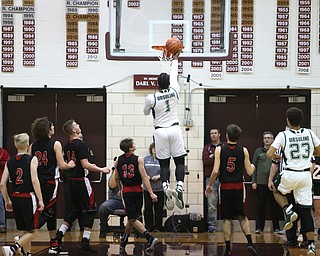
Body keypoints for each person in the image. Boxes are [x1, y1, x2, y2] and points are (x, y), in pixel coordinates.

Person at [266, 107, 320, 256]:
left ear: (287, 120)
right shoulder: (310, 133)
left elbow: (270, 153)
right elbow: (319, 151)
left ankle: (287, 210)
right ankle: (310, 246)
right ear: (301, 120)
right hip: (305, 176)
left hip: (290, 173)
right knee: (306, 212)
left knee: (276, 190)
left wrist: (278, 157)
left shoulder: (283, 135)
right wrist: (307, 154)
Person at [55, 119, 110, 253]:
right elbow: (85, 165)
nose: (79, 125)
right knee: (91, 210)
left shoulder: (66, 145)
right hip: (81, 181)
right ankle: (85, 241)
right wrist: (102, 169)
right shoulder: (82, 144)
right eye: (76, 125)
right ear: (74, 130)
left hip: (71, 182)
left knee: (76, 211)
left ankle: (60, 233)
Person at [205, 124, 260, 256]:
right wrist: (253, 166)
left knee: (226, 219)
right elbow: (249, 171)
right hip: (239, 187)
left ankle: (228, 248)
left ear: (226, 135)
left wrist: (210, 185)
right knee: (242, 216)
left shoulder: (219, 149)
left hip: (225, 187)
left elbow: (215, 171)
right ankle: (250, 243)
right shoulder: (244, 150)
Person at [143, 50, 187, 210]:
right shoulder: (175, 89)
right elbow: (174, 75)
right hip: (175, 129)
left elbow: (146, 112)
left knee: (164, 164)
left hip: (160, 131)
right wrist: (175, 59)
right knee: (180, 161)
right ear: (168, 83)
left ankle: (166, 187)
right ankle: (180, 187)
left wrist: (153, 108)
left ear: (157, 84)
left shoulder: (151, 97)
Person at [28, 117, 76, 254]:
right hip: (50, 182)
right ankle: (26, 235)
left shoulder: (32, 146)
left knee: (52, 212)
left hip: (37, 182)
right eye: (51, 126)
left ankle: (54, 244)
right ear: (47, 129)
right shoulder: (56, 144)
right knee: (48, 211)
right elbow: (62, 165)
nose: (54, 126)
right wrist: (70, 164)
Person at [0, 133, 44, 256]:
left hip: (16, 197)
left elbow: (2, 184)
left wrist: (7, 200)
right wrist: (40, 199)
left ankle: (27, 253)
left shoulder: (10, 161)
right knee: (34, 232)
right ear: (28, 145)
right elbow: (35, 180)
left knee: (27, 229)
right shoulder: (32, 159)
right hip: (28, 197)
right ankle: (14, 247)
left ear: (15, 145)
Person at [114, 138, 158, 254]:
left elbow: (116, 178)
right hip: (138, 191)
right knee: (133, 218)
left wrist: (120, 188)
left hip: (127, 191)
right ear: (130, 148)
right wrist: (151, 192)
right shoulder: (138, 159)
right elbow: (144, 177)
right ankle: (148, 237)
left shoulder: (118, 160)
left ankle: (126, 239)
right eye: (133, 144)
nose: (135, 145)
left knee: (132, 218)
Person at [252, 131, 281, 235]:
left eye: (269, 138)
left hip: (274, 184)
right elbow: (253, 167)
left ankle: (276, 228)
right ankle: (259, 228)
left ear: (273, 140)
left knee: (275, 207)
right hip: (261, 184)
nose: (267, 140)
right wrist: (254, 181)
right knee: (260, 207)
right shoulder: (258, 151)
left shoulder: (276, 151)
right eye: (265, 138)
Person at [202, 128, 221, 232]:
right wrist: (216, 158)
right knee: (211, 203)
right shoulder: (207, 147)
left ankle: (228, 223)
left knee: (225, 203)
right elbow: (206, 161)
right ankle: (212, 225)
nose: (213, 135)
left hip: (223, 178)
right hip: (210, 179)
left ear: (219, 135)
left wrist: (213, 157)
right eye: (211, 133)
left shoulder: (224, 147)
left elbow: (224, 161)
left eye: (215, 133)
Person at [99, 165, 124, 238]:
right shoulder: (115, 172)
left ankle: (138, 232)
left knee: (136, 208)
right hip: (115, 199)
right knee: (103, 208)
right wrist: (116, 169)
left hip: (129, 198)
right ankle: (104, 229)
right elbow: (111, 185)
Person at [143, 142, 164, 232]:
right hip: (147, 188)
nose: (155, 150)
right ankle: (148, 227)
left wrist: (159, 176)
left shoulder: (163, 160)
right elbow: (142, 170)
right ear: (151, 149)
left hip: (159, 188)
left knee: (159, 209)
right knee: (148, 208)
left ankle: (158, 227)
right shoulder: (146, 159)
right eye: (154, 148)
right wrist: (145, 176)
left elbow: (166, 172)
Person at [0, 146, 10, 233]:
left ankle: (2, 225)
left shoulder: (3, 152)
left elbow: (8, 165)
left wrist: (0, 162)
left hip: (0, 181)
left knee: (0, 205)